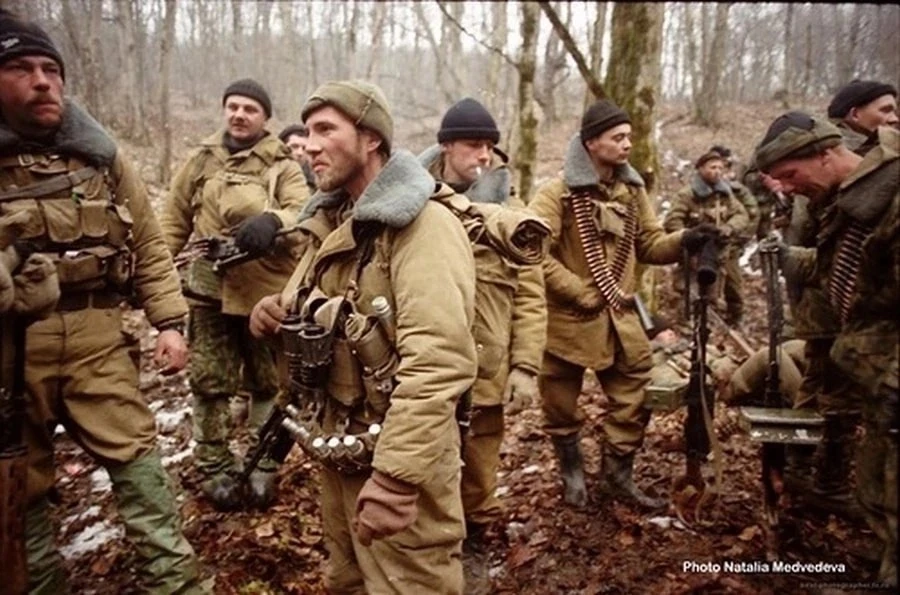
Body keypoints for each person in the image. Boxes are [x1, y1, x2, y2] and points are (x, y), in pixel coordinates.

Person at [0, 10, 205, 593]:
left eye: (51, 69)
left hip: (98, 337)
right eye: (21, 68)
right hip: (11, 353)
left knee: (141, 468)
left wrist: (169, 322)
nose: (43, 82)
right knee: (21, 490)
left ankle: (176, 585)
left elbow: (149, 243)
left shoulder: (99, 154)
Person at [249, 80, 477, 594]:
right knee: (348, 581)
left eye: (325, 130)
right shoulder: (331, 221)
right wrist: (272, 314)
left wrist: (396, 478)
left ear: (371, 139)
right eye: (307, 132)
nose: (309, 145)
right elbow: (314, 310)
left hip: (400, 458)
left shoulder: (424, 227)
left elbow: (439, 360)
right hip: (341, 451)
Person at [527, 99, 719, 510]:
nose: (628, 144)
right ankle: (572, 475)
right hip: (567, 322)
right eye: (618, 137)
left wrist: (684, 240)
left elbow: (649, 243)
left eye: (629, 136)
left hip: (619, 318)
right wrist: (578, 291)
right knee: (559, 404)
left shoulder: (632, 191)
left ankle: (617, 477)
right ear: (591, 143)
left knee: (633, 394)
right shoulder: (556, 193)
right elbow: (534, 253)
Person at [755, 111, 898, 586]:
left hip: (890, 372)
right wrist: (787, 256)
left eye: (790, 175)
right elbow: (838, 267)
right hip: (872, 369)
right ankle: (885, 559)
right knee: (876, 481)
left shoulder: (890, 196)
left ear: (825, 154)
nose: (787, 188)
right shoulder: (852, 199)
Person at [160, 78, 309, 508]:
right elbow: (172, 221)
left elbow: (303, 213)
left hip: (266, 293)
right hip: (208, 291)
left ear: (265, 118)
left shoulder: (282, 163)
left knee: (269, 382)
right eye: (233, 107)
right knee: (210, 381)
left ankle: (264, 464)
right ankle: (214, 467)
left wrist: (273, 222)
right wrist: (154, 278)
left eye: (250, 109)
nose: (239, 115)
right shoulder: (201, 161)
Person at [419, 97, 548, 589]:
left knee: (478, 468)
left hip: (485, 368)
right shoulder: (413, 202)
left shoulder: (513, 215)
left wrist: (525, 367)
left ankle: (473, 542)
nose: (484, 155)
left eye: (490, 146)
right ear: (446, 146)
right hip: (422, 364)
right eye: (473, 144)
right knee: (419, 461)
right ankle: (427, 547)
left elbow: (531, 296)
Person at [665, 150, 750, 326]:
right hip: (693, 253)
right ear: (701, 169)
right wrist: (688, 238)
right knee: (687, 292)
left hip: (718, 253)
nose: (717, 171)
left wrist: (729, 228)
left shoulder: (725, 194)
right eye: (712, 167)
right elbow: (672, 221)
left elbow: (741, 214)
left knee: (713, 293)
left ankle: (706, 326)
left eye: (720, 168)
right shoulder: (687, 195)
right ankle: (686, 326)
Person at [827, 79, 898, 155]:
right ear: (855, 114)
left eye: (894, 112)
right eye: (885, 110)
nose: (895, 119)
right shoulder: (837, 153)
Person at [279, 123, 316, 192]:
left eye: (304, 148)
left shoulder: (316, 184)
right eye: (294, 146)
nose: (300, 153)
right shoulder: (266, 174)